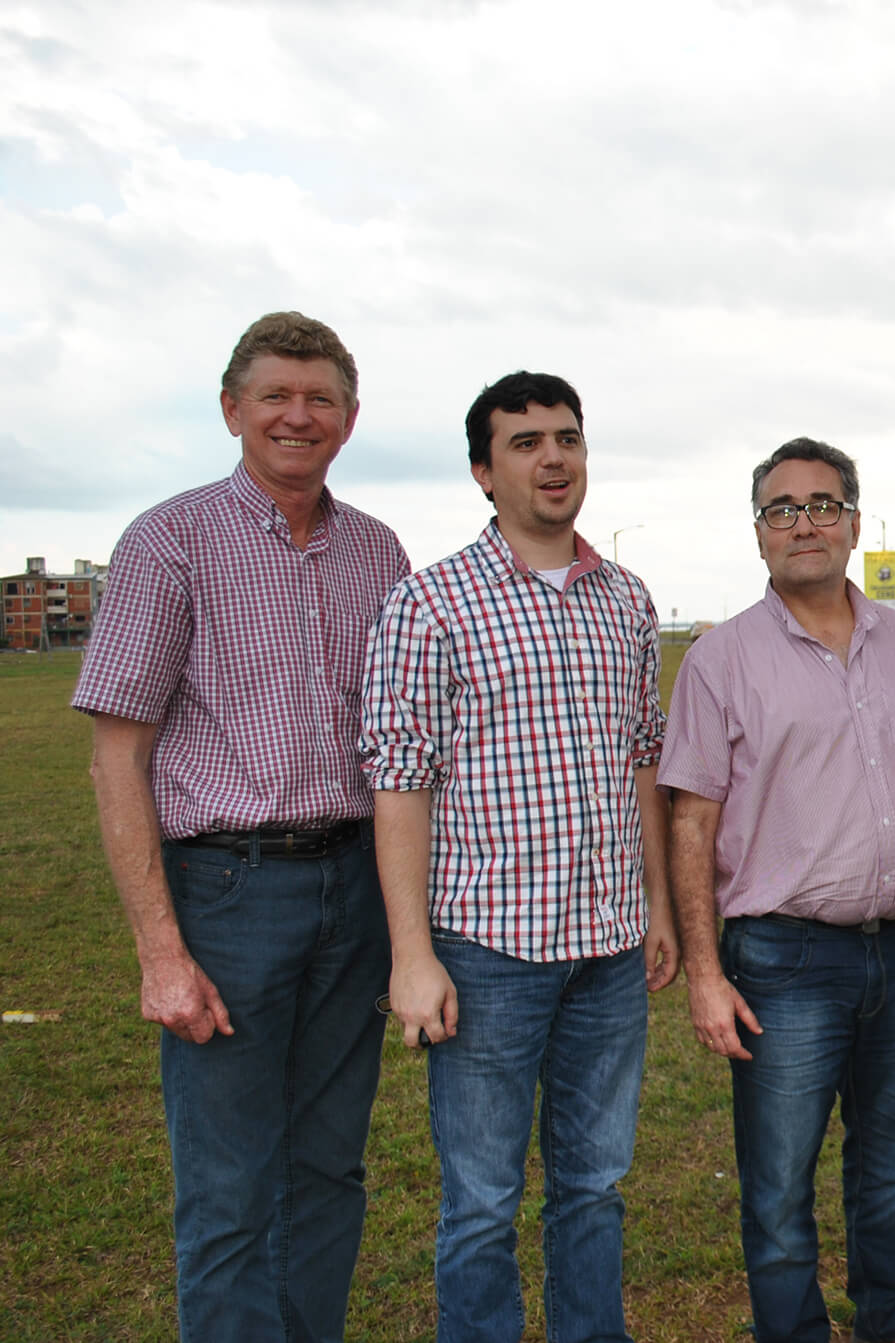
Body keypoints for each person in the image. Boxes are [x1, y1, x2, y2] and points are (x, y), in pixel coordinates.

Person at [74, 311, 410, 1341]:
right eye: (275, 395)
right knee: (227, 1185)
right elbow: (116, 753)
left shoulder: (378, 551)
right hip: (228, 893)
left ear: (349, 421)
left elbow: (404, 742)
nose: (297, 416)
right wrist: (160, 952)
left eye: (320, 399)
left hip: (353, 885)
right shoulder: (170, 540)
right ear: (233, 409)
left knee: (327, 1167)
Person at [360, 371, 677, 1342]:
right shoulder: (429, 604)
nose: (553, 458)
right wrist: (411, 954)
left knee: (593, 1183)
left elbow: (640, 761)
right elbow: (399, 781)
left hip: (609, 948)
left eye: (567, 438)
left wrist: (658, 907)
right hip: (487, 950)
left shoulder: (625, 600)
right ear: (483, 471)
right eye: (527, 442)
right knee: (482, 1199)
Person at [659, 437, 895, 1343]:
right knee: (778, 1174)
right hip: (781, 957)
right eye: (782, 508)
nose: (805, 521)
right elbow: (691, 822)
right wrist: (705, 971)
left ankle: (894, 1315)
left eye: (823, 504)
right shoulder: (720, 661)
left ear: (855, 522)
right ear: (758, 532)